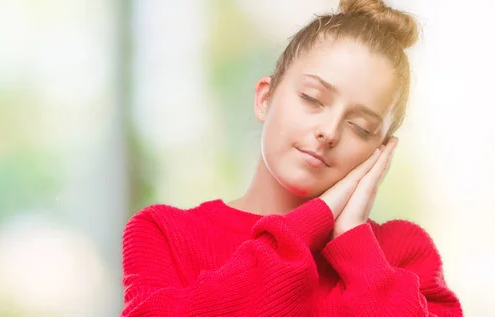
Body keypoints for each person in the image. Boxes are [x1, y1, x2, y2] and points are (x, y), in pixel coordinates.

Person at [121, 0, 463, 315]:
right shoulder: (164, 233)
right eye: (312, 99)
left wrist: (355, 243)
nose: (329, 132)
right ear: (265, 98)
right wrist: (315, 219)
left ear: (380, 151)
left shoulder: (404, 254)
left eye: (360, 127)